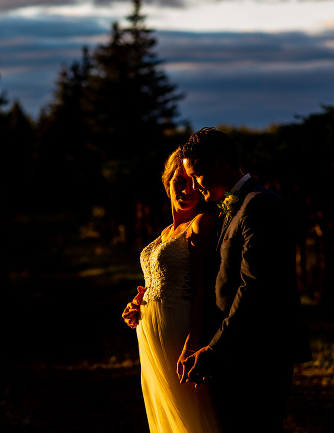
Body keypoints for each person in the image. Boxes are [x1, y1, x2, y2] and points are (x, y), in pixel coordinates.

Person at [178, 128, 312, 432]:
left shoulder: (260, 205)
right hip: (236, 353)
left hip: (259, 354)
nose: (195, 186)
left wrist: (214, 349)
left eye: (197, 175)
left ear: (221, 164)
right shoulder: (232, 208)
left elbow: (254, 286)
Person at [122, 147, 222, 433]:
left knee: (188, 415)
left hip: (178, 333)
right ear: (167, 184)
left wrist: (192, 344)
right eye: (179, 181)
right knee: (163, 417)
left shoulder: (200, 224)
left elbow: (204, 289)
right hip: (148, 336)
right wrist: (137, 304)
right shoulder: (165, 232)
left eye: (193, 182)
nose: (187, 190)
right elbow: (158, 282)